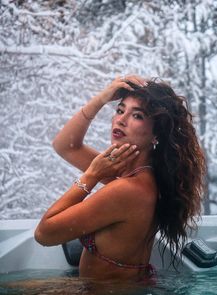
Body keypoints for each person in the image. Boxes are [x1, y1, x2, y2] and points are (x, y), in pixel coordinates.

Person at [34, 75, 206, 282]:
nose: (121, 120)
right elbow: (65, 146)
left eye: (138, 116)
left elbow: (44, 234)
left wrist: (92, 175)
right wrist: (101, 99)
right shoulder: (140, 175)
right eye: (120, 110)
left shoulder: (128, 190)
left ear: (156, 134)